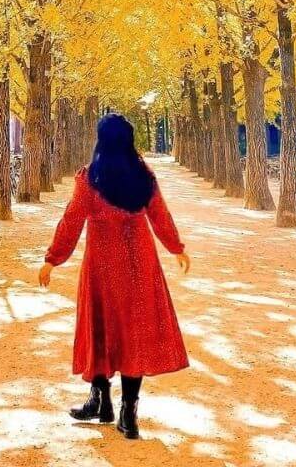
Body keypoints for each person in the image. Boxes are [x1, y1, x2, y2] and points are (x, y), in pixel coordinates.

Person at [38, 112, 190, 439]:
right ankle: (126, 413)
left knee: (99, 327)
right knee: (134, 332)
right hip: (140, 264)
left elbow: (71, 220)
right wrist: (176, 248)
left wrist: (53, 259)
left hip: (103, 265)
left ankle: (100, 399)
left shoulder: (90, 177)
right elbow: (159, 214)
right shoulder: (143, 175)